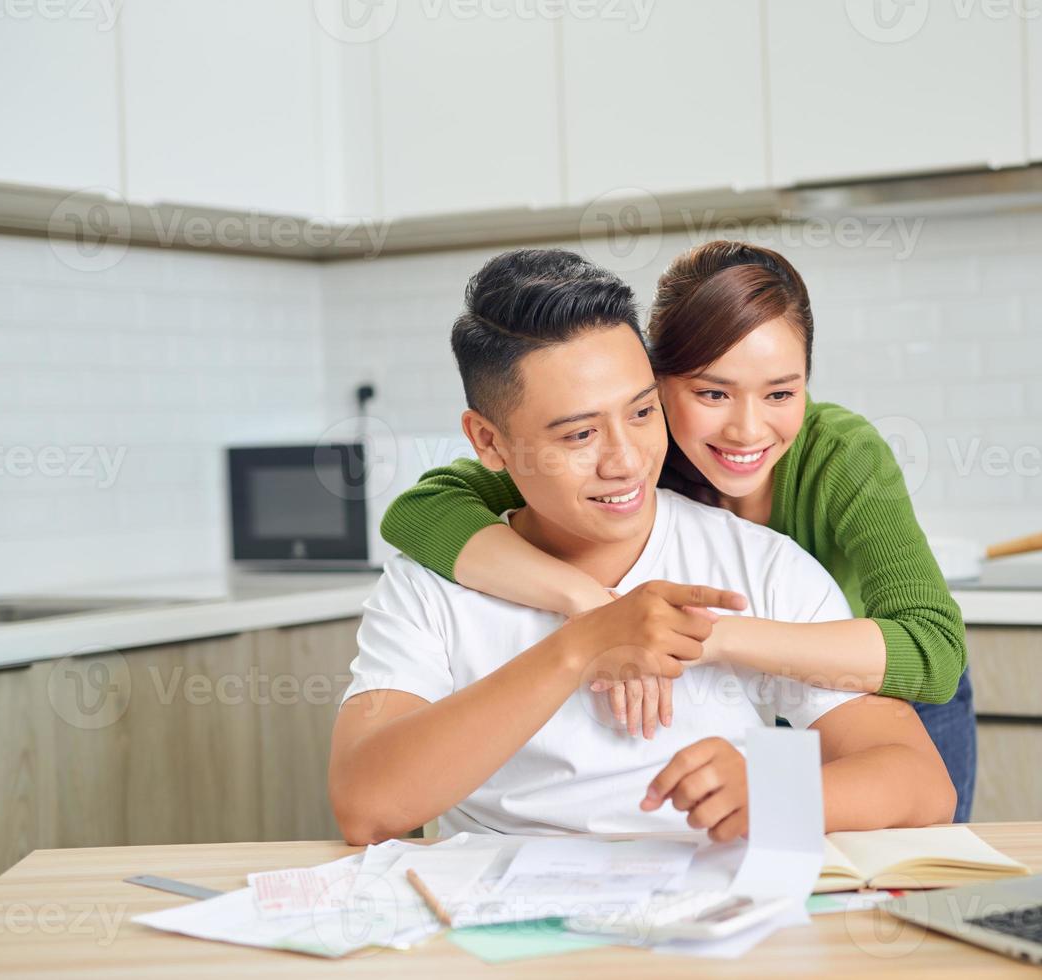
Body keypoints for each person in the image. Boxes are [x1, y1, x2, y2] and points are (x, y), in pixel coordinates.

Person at [329, 249, 955, 843]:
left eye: (641, 413)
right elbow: (367, 808)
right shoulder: (430, 584)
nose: (625, 462)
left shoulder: (759, 565)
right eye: (578, 435)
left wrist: (776, 793)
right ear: (488, 443)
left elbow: (923, 784)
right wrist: (583, 640)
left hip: (711, 922)